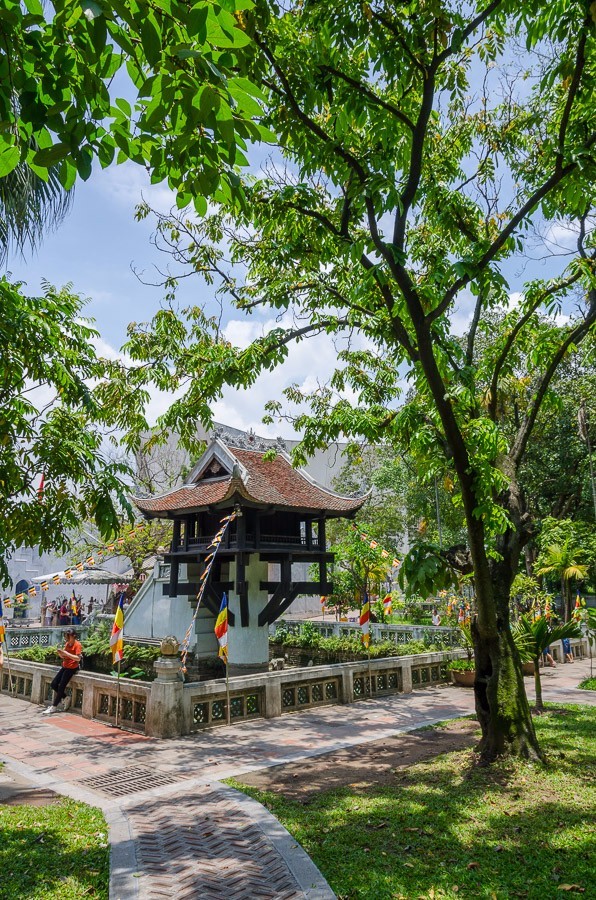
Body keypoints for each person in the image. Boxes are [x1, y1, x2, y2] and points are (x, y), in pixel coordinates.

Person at [42, 628, 82, 715]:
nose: (67, 638)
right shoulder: (67, 644)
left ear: (73, 636)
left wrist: (66, 654)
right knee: (54, 684)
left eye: (68, 636)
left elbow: (78, 658)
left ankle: (54, 706)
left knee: (61, 686)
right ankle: (66, 697)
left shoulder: (77, 645)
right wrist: (61, 653)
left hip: (72, 668)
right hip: (65, 666)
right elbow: (64, 657)